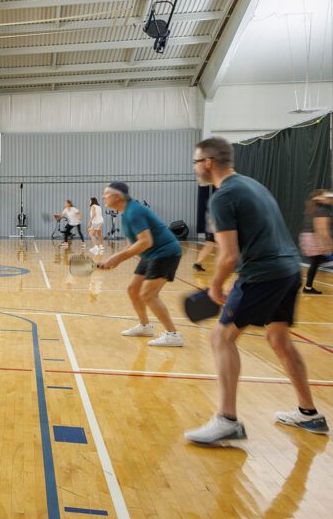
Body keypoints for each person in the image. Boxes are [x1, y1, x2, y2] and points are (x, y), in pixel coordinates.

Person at [185, 137, 327, 444]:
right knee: (278, 339)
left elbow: (228, 255)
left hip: (264, 273)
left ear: (209, 162)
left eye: (197, 162)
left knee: (221, 337)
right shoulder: (252, 185)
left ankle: (227, 421)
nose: (195, 168)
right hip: (289, 270)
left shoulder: (222, 198)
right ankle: (309, 413)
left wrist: (215, 285)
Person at [99, 181, 185, 348]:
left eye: (106, 194)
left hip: (165, 252)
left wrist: (118, 258)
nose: (103, 197)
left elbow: (145, 241)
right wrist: (115, 259)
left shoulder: (134, 212)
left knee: (148, 295)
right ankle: (145, 327)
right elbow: (132, 244)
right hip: (151, 254)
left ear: (117, 196)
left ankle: (173, 335)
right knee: (133, 290)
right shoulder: (126, 213)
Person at [300, 189, 333, 294]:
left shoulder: (313, 208)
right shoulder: (322, 209)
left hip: (308, 238)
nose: (330, 199)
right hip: (314, 239)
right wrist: (328, 244)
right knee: (317, 262)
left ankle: (308, 287)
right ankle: (308, 287)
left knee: (316, 263)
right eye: (328, 197)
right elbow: (321, 229)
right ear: (322, 198)